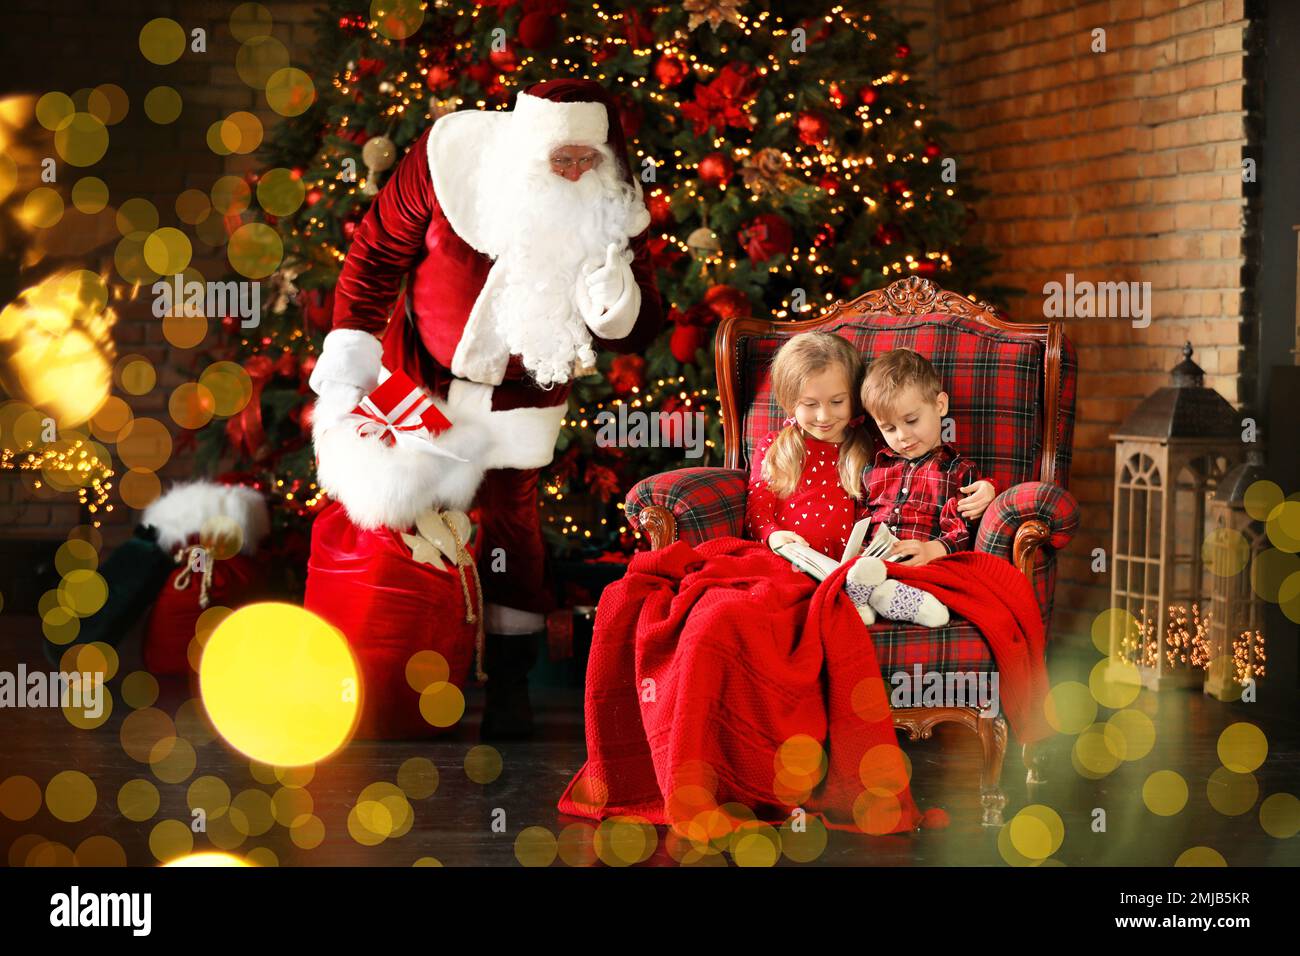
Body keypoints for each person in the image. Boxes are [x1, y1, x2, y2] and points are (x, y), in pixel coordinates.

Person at [306, 79, 664, 738]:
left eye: (588, 157)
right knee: (393, 520)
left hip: (519, 398)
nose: (578, 170)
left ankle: (508, 683)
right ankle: (378, 670)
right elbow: (377, 251)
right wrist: (351, 354)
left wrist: (615, 302)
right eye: (563, 159)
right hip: (416, 374)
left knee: (508, 534)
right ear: (531, 148)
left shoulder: (615, 202)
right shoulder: (450, 156)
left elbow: (643, 323)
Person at [745, 334, 994, 627]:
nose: (824, 416)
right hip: (785, 563)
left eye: (837, 402)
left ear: (855, 400)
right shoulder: (774, 447)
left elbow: (925, 470)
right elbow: (757, 505)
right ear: (790, 402)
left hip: (854, 565)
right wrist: (773, 535)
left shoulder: (873, 448)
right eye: (809, 404)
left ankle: (869, 598)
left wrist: (988, 487)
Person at [843, 347, 999, 625]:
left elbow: (963, 530)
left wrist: (930, 551)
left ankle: (883, 599)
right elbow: (859, 518)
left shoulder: (958, 470)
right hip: (873, 562)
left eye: (911, 420)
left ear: (940, 405)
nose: (902, 436)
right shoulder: (874, 469)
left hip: (923, 564)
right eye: (888, 428)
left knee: (938, 577)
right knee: (856, 571)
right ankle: (870, 595)